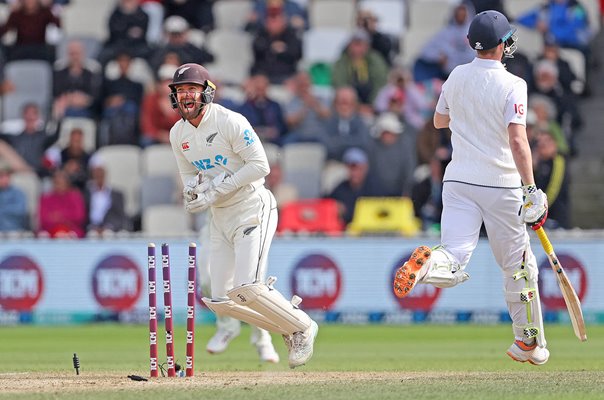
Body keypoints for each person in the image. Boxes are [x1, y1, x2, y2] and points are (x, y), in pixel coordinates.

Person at [393, 11, 550, 365]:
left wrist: (469, 113)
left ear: (470, 44)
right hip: (502, 184)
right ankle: (527, 341)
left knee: (454, 254)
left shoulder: (456, 76)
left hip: (459, 180)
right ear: (503, 44)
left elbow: (438, 120)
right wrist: (531, 190)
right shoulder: (514, 84)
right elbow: (518, 141)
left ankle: (428, 263)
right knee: (519, 267)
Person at [168, 63, 318, 369]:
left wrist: (219, 188)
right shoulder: (177, 134)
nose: (186, 96)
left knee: (248, 287)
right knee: (220, 300)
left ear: (206, 93)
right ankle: (287, 328)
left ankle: (303, 326)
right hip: (219, 219)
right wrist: (193, 197)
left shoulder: (229, 121)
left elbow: (260, 166)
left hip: (252, 208)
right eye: (181, 90)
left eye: (192, 90)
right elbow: (190, 179)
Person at [196, 211, 280, 363]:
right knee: (208, 280)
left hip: (248, 220)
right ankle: (227, 326)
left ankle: (262, 340)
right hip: (215, 224)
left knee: (251, 286)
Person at [0, 160, 29, 232]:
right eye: (1, 176)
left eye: (7, 175)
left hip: (15, 233)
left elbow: (20, 211)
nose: (5, 179)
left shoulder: (18, 193)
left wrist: (2, 209)